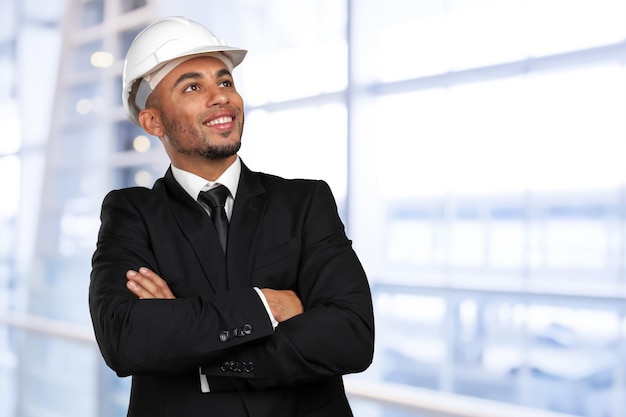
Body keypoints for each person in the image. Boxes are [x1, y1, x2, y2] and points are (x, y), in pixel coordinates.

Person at [88, 16, 375, 417]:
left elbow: (351, 335)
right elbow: (125, 337)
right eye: (193, 86)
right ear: (153, 121)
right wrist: (267, 305)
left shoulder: (305, 201)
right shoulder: (131, 213)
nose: (221, 96)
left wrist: (195, 348)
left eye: (225, 82)